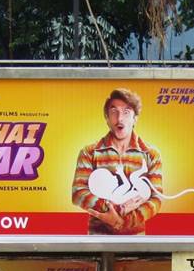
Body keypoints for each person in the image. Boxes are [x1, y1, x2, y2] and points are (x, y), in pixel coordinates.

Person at [70, 87, 164, 235]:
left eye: (126, 112)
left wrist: (122, 222)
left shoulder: (151, 154)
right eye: (114, 112)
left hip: (136, 240)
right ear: (107, 118)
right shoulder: (89, 152)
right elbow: (78, 193)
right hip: (98, 238)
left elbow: (156, 199)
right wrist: (113, 210)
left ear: (135, 119)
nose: (119, 118)